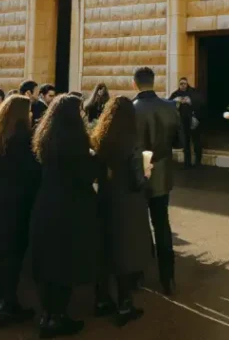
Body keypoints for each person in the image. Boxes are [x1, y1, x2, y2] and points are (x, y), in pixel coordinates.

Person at [30, 94, 101, 336]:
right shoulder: (75, 139)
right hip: (69, 208)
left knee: (48, 263)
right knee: (64, 264)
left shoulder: (45, 136)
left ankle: (47, 315)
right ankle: (58, 317)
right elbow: (86, 174)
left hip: (45, 203)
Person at [92, 96, 155, 326]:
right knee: (126, 253)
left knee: (105, 248)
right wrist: (147, 174)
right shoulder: (132, 142)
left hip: (105, 199)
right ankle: (125, 305)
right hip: (128, 203)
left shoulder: (100, 139)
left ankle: (101, 300)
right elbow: (138, 181)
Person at [0, 95, 39, 327]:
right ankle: (9, 304)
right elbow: (31, 174)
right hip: (15, 203)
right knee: (12, 255)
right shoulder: (22, 139)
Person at [132, 67, 183, 295]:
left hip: (137, 176)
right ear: (154, 81)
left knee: (139, 226)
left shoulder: (131, 110)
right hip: (162, 174)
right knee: (162, 224)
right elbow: (180, 142)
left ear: (135, 83)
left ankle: (139, 274)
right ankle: (167, 277)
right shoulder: (170, 107)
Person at [169, 77, 205, 169]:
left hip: (193, 122)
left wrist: (190, 101)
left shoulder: (193, 92)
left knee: (197, 142)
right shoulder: (176, 94)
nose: (183, 85)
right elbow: (168, 104)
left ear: (187, 84)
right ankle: (187, 163)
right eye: (181, 84)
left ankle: (198, 163)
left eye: (184, 83)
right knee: (185, 143)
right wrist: (175, 101)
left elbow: (201, 102)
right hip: (182, 122)